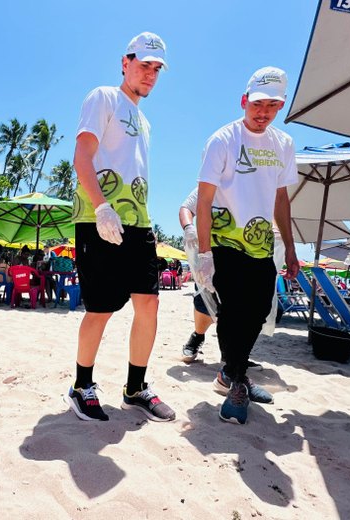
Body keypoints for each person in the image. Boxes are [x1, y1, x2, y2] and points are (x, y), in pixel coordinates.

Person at [64, 31, 175, 423]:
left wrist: (143, 221)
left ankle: (135, 388)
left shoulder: (144, 120)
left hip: (138, 223)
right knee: (101, 308)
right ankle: (81, 386)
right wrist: (101, 207)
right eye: (144, 64)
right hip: (99, 217)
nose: (150, 73)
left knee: (149, 303)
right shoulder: (103, 97)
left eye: (157, 68)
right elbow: (82, 155)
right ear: (124, 63)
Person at [194, 66, 300, 425]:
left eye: (272, 105)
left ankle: (230, 373)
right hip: (225, 240)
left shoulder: (283, 144)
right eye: (258, 104)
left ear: (280, 106)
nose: (263, 112)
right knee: (234, 311)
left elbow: (281, 200)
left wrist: (290, 247)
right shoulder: (223, 140)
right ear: (244, 101)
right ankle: (237, 381)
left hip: (260, 245)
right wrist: (205, 254)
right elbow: (204, 201)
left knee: (258, 312)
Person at [178, 187, 264, 371]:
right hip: (211, 253)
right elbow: (186, 208)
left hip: (245, 254)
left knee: (241, 309)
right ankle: (197, 336)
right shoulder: (211, 184)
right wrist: (189, 228)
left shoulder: (251, 188)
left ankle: (234, 357)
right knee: (204, 302)